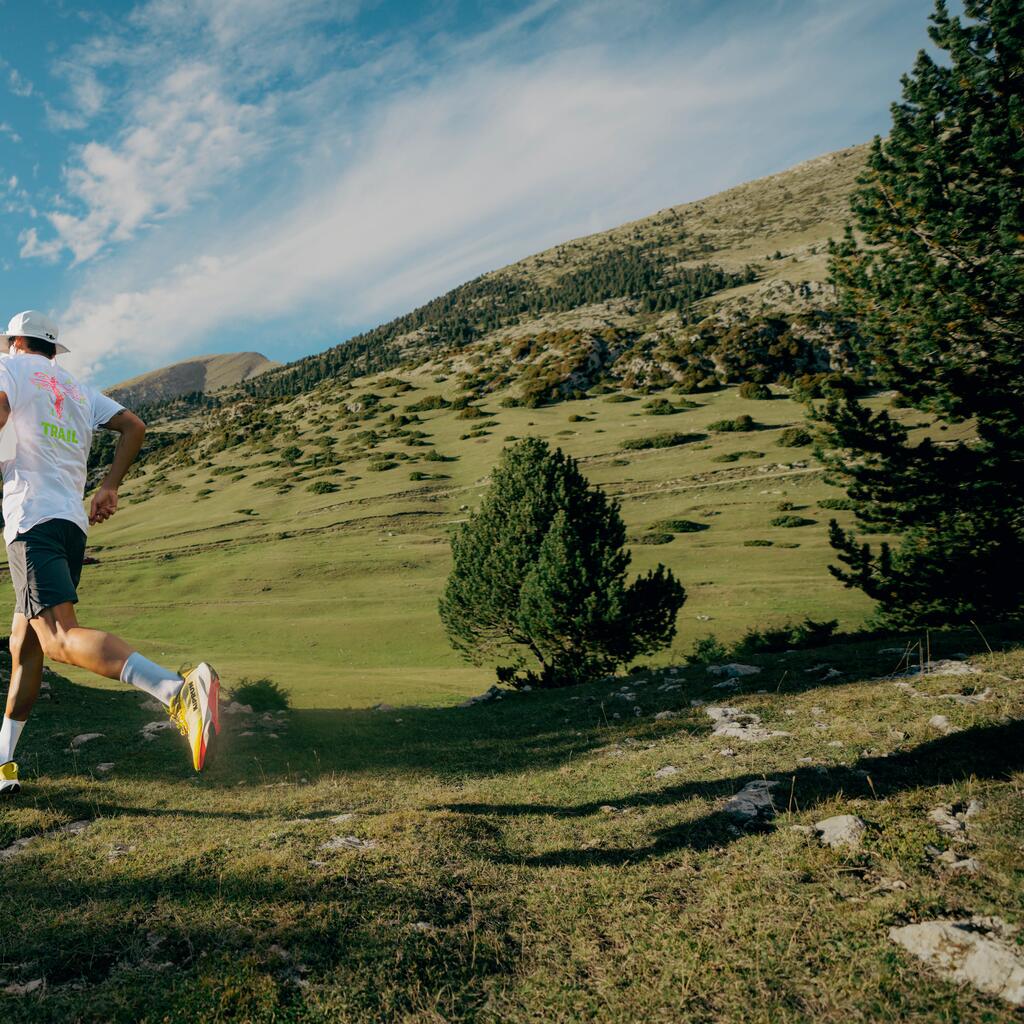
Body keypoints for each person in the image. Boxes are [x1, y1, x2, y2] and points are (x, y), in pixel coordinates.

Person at [0, 310, 219, 795]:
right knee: (25, 646)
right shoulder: (78, 389)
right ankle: (2, 763)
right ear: (52, 349)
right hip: (69, 525)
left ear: (15, 342)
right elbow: (134, 426)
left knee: (58, 637)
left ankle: (176, 691)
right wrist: (109, 486)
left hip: (31, 519)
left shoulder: (7, 367)